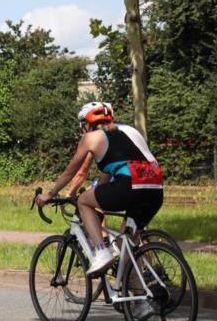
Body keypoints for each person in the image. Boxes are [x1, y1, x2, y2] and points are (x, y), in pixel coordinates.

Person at [35, 102, 163, 278]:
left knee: (83, 201)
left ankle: (101, 252)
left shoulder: (91, 138)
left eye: (83, 125)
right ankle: (141, 302)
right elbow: (105, 176)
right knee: (125, 248)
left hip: (130, 187)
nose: (82, 129)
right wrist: (97, 194)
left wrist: (50, 194)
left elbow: (70, 171)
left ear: (88, 123)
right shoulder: (126, 133)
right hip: (155, 189)